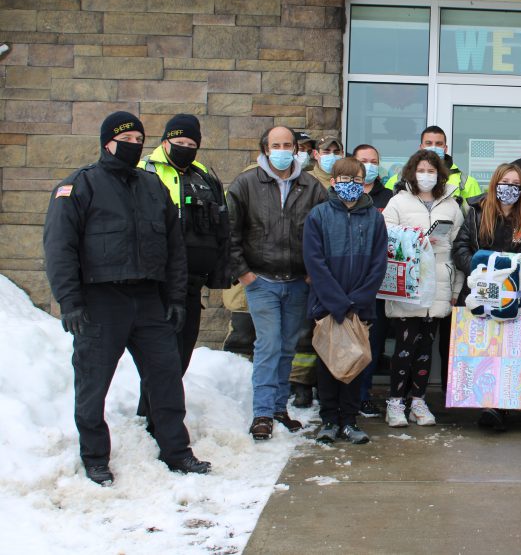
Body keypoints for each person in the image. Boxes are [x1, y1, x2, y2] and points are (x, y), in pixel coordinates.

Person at [43, 111, 210, 485]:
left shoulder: (153, 188)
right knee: (92, 384)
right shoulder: (79, 187)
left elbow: (174, 250)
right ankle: (95, 457)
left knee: (166, 379)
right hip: (101, 302)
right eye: (127, 139)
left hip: (149, 301)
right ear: (108, 142)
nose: (134, 145)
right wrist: (69, 301)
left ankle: (176, 451)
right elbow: (59, 248)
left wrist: (176, 299)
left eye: (139, 139)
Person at [227, 125, 327, 440]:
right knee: (268, 345)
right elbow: (230, 232)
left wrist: (313, 271)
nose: (283, 150)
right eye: (276, 145)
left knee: (286, 347)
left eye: (288, 144)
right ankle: (262, 413)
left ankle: (279, 407)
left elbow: (323, 232)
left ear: (296, 149)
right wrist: (244, 273)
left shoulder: (311, 187)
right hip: (262, 281)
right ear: (266, 148)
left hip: (298, 282)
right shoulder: (246, 184)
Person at [137, 114, 231, 421]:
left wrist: (219, 271)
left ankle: (158, 413)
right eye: (179, 143)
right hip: (157, 282)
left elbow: (220, 225)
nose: (185, 148)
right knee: (161, 355)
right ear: (165, 141)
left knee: (182, 353)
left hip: (192, 282)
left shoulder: (203, 175)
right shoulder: (143, 171)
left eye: (191, 144)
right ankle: (156, 419)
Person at [452, 163, 521, 431]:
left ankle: (502, 405)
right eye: (505, 182)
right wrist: (482, 270)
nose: (510, 188)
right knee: (484, 350)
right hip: (480, 294)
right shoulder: (477, 211)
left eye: (516, 184)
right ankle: (485, 404)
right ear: (495, 184)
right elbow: (460, 246)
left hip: (519, 297)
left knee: (510, 352)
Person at [303, 157, 388, 445]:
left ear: (364, 182)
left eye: (356, 179)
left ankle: (350, 420)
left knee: (355, 365)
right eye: (344, 179)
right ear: (333, 181)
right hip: (327, 306)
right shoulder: (318, 215)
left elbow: (379, 264)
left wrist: (358, 300)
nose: (350, 185)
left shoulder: (375, 218)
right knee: (327, 365)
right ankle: (328, 420)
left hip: (360, 308)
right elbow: (315, 263)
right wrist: (338, 302)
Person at [382, 149, 465, 428]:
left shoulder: (451, 205)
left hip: (440, 282)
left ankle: (418, 400)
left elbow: (458, 249)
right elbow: (387, 242)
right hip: (408, 282)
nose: (426, 176)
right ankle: (395, 402)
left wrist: (456, 289)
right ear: (411, 172)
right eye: (421, 170)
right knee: (405, 345)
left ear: (439, 174)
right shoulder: (398, 202)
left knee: (426, 347)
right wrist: (416, 243)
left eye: (431, 171)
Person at [291, 135, 344, 408]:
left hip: (338, 272)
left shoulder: (349, 182)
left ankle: (324, 385)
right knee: (304, 331)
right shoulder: (306, 182)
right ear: (316, 154)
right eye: (327, 151)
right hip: (311, 269)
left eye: (337, 151)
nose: (331, 155)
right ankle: (301, 383)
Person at [352, 143, 395, 418]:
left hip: (379, 284)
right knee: (348, 341)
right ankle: (344, 396)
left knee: (373, 344)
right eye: (363, 160)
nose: (369, 165)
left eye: (373, 160)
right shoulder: (344, 195)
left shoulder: (390, 196)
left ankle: (364, 395)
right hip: (349, 282)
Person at [384, 126, 483, 203]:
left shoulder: (466, 182)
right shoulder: (398, 180)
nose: (434, 147)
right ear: (421, 147)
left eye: (439, 144)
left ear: (445, 148)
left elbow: (474, 219)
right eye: (429, 143)